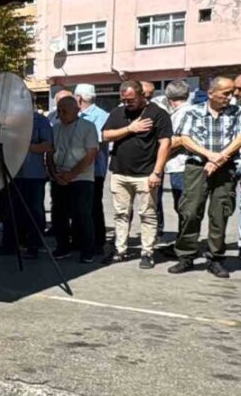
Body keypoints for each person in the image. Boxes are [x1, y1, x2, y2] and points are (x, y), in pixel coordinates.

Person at [170, 77, 241, 278]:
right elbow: (184, 138)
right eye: (225, 93)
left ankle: (215, 258)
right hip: (197, 167)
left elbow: (239, 138)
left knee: (220, 213)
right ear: (211, 93)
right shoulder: (193, 111)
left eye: (232, 92)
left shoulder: (237, 112)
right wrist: (209, 155)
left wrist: (219, 159)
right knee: (191, 211)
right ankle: (186, 255)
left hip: (225, 168)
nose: (230, 96)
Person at [100, 82, 172, 269]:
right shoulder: (118, 113)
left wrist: (157, 172)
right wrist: (130, 129)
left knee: (147, 214)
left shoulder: (158, 113)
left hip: (146, 174)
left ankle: (147, 252)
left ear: (142, 96)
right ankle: (120, 250)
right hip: (120, 173)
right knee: (121, 213)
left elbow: (165, 144)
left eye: (131, 100)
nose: (127, 103)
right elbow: (106, 135)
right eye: (124, 99)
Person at [0, 110, 54, 259]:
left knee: (34, 211)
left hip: (33, 174)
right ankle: (9, 244)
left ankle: (34, 245)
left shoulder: (40, 121)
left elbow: (47, 146)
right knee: (9, 209)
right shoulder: (8, 120)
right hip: (12, 173)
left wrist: (24, 145)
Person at [51, 96, 100, 264]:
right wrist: (53, 172)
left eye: (64, 110)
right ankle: (63, 247)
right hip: (59, 176)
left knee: (82, 215)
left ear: (76, 110)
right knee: (58, 215)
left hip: (81, 178)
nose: (61, 114)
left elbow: (91, 154)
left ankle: (87, 250)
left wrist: (71, 174)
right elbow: (50, 152)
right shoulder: (56, 128)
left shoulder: (88, 127)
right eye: (59, 111)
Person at [75, 84, 109, 255]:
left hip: (94, 170)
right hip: (78, 170)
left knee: (94, 206)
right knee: (79, 206)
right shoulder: (78, 115)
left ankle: (97, 241)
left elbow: (93, 142)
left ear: (79, 98)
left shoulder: (101, 116)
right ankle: (80, 239)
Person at [161, 80, 194, 236]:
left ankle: (184, 245)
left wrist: (158, 148)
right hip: (180, 166)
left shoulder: (182, 113)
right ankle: (183, 242)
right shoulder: (188, 110)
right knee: (183, 206)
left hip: (181, 166)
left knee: (183, 206)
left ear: (168, 97)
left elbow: (178, 139)